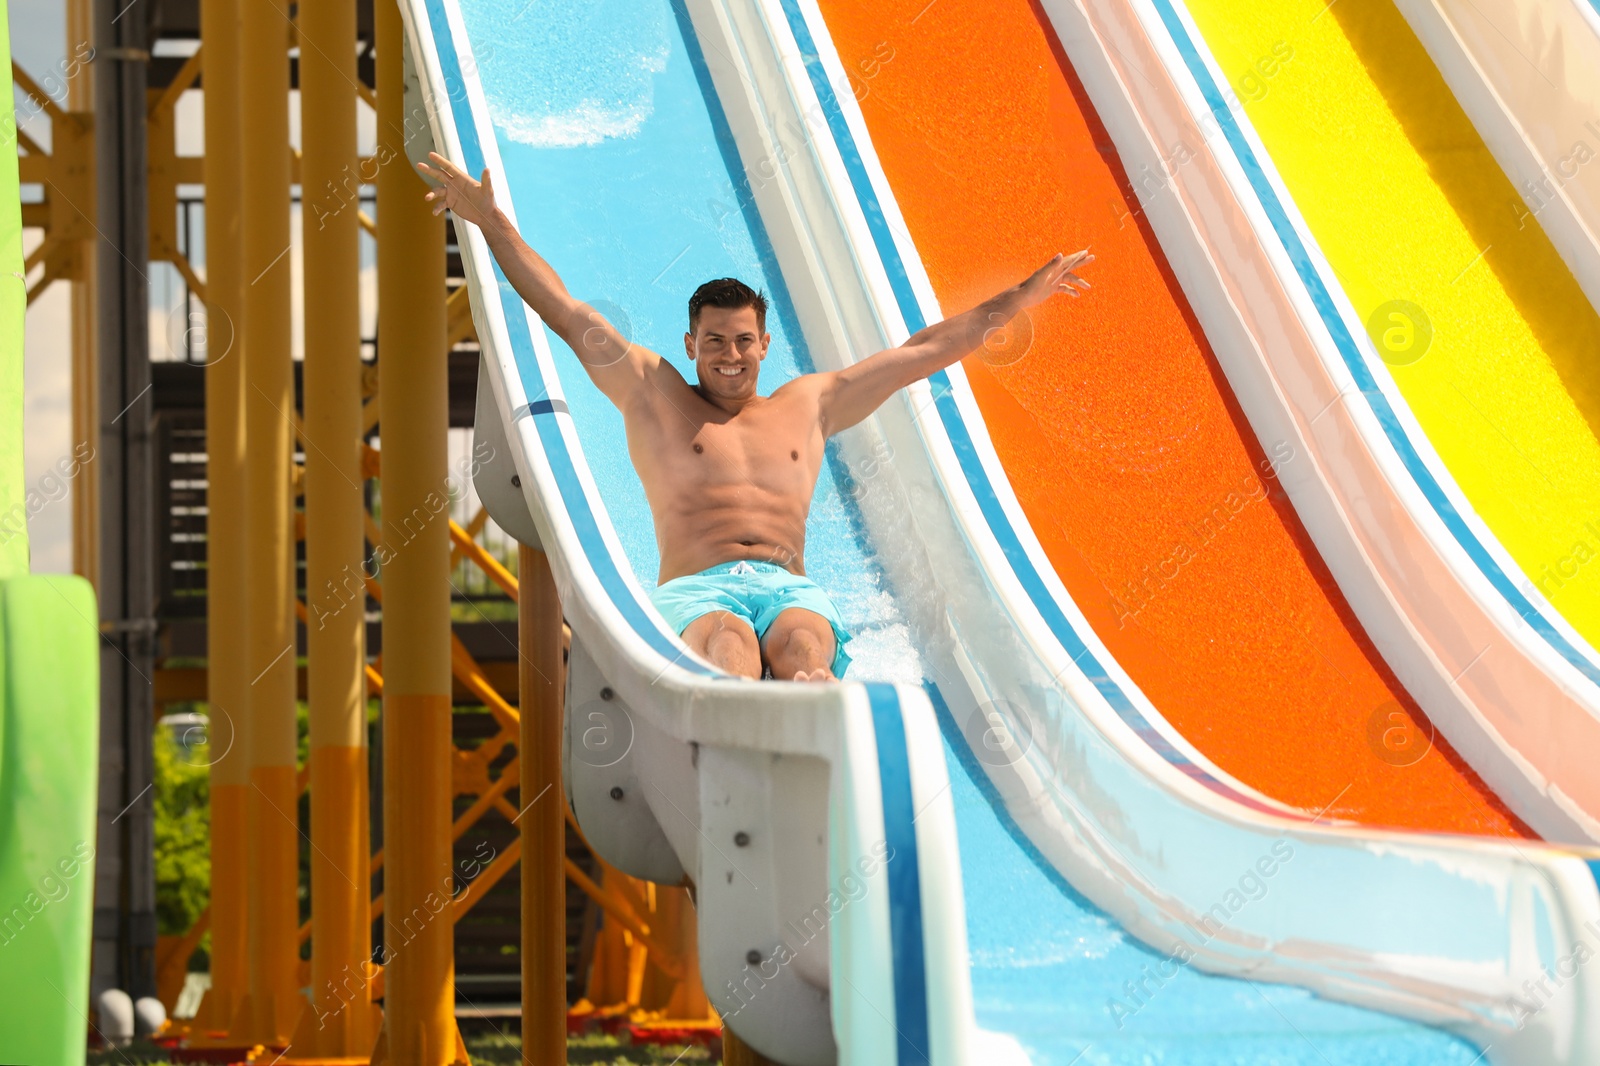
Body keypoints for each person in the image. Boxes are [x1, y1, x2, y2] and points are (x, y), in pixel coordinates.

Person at [416, 152, 1092, 682]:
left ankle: (811, 700)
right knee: (730, 644)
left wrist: (1021, 298)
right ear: (690, 346)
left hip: (787, 586)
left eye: (744, 341)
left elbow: (921, 352)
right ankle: (742, 700)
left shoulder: (810, 404)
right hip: (696, 592)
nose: (730, 355)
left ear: (764, 345)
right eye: (714, 341)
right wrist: (491, 222)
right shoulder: (653, 392)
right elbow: (565, 311)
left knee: (801, 641)